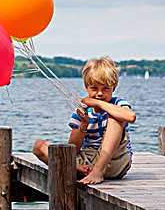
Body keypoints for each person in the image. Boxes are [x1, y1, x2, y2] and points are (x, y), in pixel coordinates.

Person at [32, 56, 136, 184]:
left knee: (115, 117)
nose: (99, 94)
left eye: (105, 89)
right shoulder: (83, 110)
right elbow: (73, 149)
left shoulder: (117, 103)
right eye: (94, 88)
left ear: (113, 88)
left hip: (114, 161)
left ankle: (98, 170)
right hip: (88, 160)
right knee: (39, 145)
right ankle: (79, 169)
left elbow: (130, 117)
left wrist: (98, 104)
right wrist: (84, 125)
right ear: (86, 87)